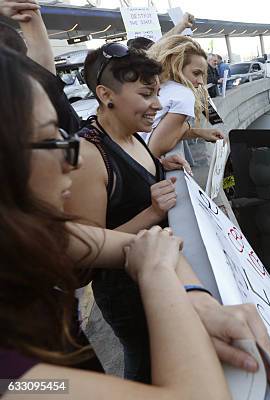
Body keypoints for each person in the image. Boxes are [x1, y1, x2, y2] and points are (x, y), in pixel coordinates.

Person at [0, 46, 263, 398]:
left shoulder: (32, 242)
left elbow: (140, 246)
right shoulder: (16, 376)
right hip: (127, 298)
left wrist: (198, 299)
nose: (68, 158)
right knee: (141, 364)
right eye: (50, 139)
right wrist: (160, 275)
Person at [64, 44, 192, 382]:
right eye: (146, 93)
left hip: (155, 278)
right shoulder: (89, 155)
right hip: (129, 297)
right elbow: (87, 254)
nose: (158, 105)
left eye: (158, 92)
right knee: (146, 365)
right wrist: (151, 213)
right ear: (106, 95)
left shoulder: (133, 136)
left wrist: (161, 168)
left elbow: (132, 181)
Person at [144, 35, 224, 157]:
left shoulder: (160, 87)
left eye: (202, 75)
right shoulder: (184, 94)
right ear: (176, 66)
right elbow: (155, 148)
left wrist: (198, 132)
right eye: (196, 73)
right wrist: (185, 125)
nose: (201, 81)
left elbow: (166, 132)